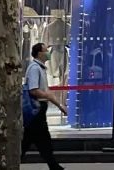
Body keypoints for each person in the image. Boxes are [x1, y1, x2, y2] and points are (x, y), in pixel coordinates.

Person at [22, 41, 67, 170]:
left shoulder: (40, 68)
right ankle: (54, 166)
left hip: (38, 110)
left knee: (32, 139)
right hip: (36, 109)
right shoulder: (34, 68)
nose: (48, 53)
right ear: (39, 54)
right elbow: (34, 90)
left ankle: (53, 165)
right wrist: (49, 97)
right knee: (41, 139)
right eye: (46, 50)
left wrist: (58, 105)